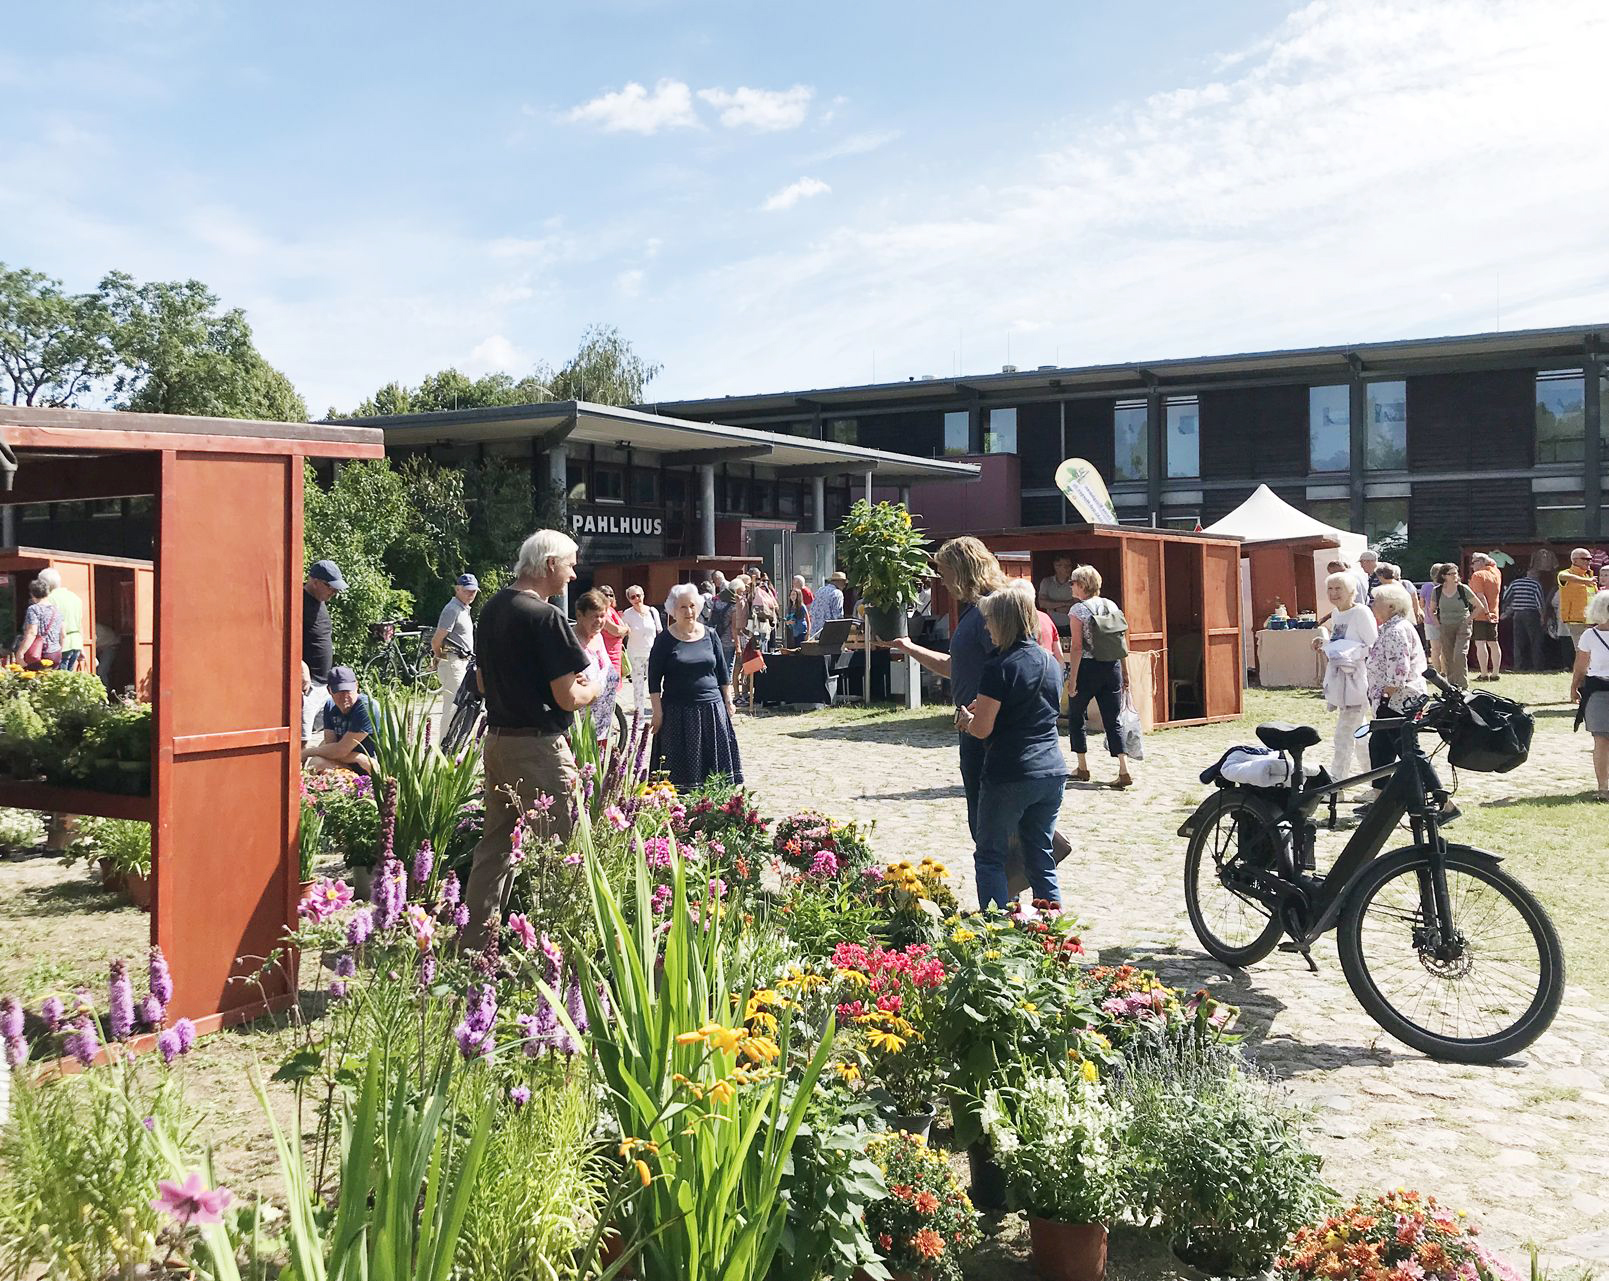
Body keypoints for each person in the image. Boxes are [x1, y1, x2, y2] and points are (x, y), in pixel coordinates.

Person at [464, 530, 596, 949]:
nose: (574, 575)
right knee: (563, 850)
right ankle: (555, 949)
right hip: (539, 748)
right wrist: (596, 685)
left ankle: (474, 944)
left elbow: (482, 683)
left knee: (495, 848)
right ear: (551, 564)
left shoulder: (493, 608)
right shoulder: (546, 617)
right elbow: (568, 696)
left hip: (499, 741)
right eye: (572, 564)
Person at [891, 537, 1008, 840]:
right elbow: (953, 667)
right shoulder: (974, 611)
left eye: (944, 572)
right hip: (973, 728)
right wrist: (909, 648)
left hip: (988, 730)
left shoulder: (989, 610)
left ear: (962, 570)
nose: (940, 581)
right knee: (985, 824)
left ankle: (1003, 888)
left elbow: (1010, 670)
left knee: (991, 829)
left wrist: (982, 716)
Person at [960, 582, 1066, 909]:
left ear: (1004, 621)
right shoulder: (1050, 662)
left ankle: (997, 932)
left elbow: (981, 729)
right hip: (1051, 770)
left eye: (990, 620)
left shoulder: (998, 666)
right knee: (1039, 851)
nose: (987, 627)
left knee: (991, 855)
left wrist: (965, 719)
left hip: (1010, 772)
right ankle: (1053, 928)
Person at [1363, 583, 1456, 821]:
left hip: (1397, 700)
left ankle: (1445, 803)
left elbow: (1398, 668)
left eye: (1376, 601)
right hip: (1392, 699)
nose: (1372, 605)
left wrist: (1386, 695)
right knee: (1379, 746)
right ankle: (1379, 797)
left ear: (1391, 606)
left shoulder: (1396, 630)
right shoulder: (1392, 627)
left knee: (1409, 751)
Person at [648, 582, 743, 789]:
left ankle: (715, 808)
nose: (688, 611)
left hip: (711, 709)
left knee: (714, 770)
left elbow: (722, 673)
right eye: (683, 607)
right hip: (677, 712)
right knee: (679, 772)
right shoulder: (664, 640)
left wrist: (728, 701)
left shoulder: (710, 634)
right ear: (673, 610)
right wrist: (657, 712)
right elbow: (654, 679)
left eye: (692, 606)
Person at [1065, 564, 1133, 790]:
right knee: (1112, 718)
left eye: (1073, 582)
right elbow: (1120, 641)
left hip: (1087, 667)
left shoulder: (1078, 610)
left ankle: (1082, 766)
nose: (1071, 586)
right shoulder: (1111, 605)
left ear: (1082, 585)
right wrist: (1124, 670)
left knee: (1076, 715)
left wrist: (1072, 678)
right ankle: (1123, 768)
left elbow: (1076, 647)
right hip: (1111, 665)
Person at [1312, 572, 1378, 788]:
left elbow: (1374, 647)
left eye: (1338, 588)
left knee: (1344, 735)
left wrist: (1349, 654)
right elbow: (1339, 640)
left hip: (1357, 681)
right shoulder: (1336, 613)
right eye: (1330, 589)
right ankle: (1378, 782)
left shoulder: (1361, 612)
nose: (1333, 594)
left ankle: (1336, 785)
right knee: (1361, 737)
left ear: (1351, 591)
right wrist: (1325, 643)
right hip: (1340, 680)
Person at [1569, 589, 1609, 801]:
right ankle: (1604, 787)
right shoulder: (1589, 635)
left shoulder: (1589, 636)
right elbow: (1581, 666)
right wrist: (1574, 686)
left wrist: (1575, 685)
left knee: (1601, 741)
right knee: (1601, 740)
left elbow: (1581, 666)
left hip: (1597, 692)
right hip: (1597, 692)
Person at [302, 560, 347, 744]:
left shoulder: (320, 601)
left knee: (331, 736)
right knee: (301, 741)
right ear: (314, 581)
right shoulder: (298, 601)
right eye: (331, 588)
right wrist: (299, 664)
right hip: (307, 685)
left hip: (324, 683)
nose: (334, 593)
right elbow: (281, 637)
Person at [302, 666, 376, 774]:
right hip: (347, 762)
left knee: (320, 754)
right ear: (329, 690)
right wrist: (358, 757)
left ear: (356, 686)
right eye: (339, 691)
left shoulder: (366, 707)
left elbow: (340, 750)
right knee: (316, 763)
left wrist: (307, 752)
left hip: (370, 766)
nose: (345, 696)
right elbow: (331, 748)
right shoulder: (330, 705)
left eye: (348, 691)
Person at [431, 573, 478, 744]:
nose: (471, 594)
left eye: (473, 591)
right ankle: (444, 746)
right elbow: (436, 640)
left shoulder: (463, 609)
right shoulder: (452, 609)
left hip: (462, 661)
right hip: (453, 660)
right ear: (457, 589)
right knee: (452, 706)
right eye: (467, 591)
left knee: (460, 705)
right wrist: (439, 657)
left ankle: (452, 745)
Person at [573, 589, 622, 740]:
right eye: (595, 616)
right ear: (580, 615)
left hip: (603, 728)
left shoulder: (599, 637)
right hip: (580, 732)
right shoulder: (570, 642)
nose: (600, 621)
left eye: (602, 616)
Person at [1431, 562, 1486, 690]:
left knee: (1459, 654)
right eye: (1452, 574)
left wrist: (1468, 620)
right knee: (1448, 655)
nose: (1455, 576)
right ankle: (1451, 685)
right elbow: (1431, 609)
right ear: (1444, 576)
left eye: (1456, 573)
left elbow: (1479, 607)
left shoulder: (1463, 589)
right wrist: (1437, 624)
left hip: (1462, 625)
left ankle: (1463, 685)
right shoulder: (1437, 591)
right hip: (1445, 625)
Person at [621, 584, 662, 712]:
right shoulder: (627, 614)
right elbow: (622, 632)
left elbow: (659, 631)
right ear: (629, 600)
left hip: (652, 653)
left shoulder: (652, 611)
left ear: (643, 595)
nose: (637, 599)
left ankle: (657, 712)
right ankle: (639, 717)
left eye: (638, 595)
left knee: (655, 685)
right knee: (638, 687)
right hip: (635, 654)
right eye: (633, 597)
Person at [1503, 560, 1548, 672]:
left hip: (1517, 614)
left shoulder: (1515, 583)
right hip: (1531, 613)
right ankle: (1537, 666)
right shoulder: (1535, 584)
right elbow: (1539, 601)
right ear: (1535, 576)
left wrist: (1506, 609)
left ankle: (1518, 666)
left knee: (1518, 641)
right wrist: (1543, 616)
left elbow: (1506, 596)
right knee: (1535, 640)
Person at [35, 568, 84, 672]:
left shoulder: (49, 599)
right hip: (76, 643)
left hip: (59, 645)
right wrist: (82, 647)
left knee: (58, 679)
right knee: (68, 677)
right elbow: (80, 624)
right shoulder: (75, 597)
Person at [1468, 553, 1503, 681]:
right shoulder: (1496, 573)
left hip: (1481, 614)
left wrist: (1486, 612)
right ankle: (1495, 673)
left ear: (1481, 562)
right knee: (1494, 643)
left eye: (1474, 562)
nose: (1472, 565)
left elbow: (1480, 596)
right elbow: (1493, 563)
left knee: (1480, 643)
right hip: (1495, 613)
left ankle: (1483, 673)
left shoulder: (1478, 575)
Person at [17, 579, 63, 670]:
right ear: (47, 592)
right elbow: (63, 634)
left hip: (39, 652)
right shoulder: (56, 609)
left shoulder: (34, 609)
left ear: (32, 594)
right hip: (55, 652)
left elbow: (32, 632)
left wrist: (20, 653)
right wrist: (59, 650)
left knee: (33, 681)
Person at [1558, 548, 1598, 647]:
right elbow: (1563, 576)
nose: (1588, 561)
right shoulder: (1566, 574)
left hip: (1592, 621)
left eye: (1590, 559)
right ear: (1574, 560)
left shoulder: (1589, 576)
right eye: (1585, 559)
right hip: (1577, 621)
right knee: (1582, 651)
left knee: (1592, 651)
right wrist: (1586, 581)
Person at [1037, 554, 1076, 635]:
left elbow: (1076, 603)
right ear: (1056, 566)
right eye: (1065, 566)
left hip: (1071, 626)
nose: (1068, 568)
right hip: (1051, 626)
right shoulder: (1047, 582)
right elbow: (1042, 603)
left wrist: (1053, 607)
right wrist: (1064, 604)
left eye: (1069, 565)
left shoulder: (1075, 583)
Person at [597, 585, 629, 676]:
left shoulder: (612, 610)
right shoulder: (600, 613)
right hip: (605, 655)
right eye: (605, 595)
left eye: (611, 595)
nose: (608, 597)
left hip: (617, 653)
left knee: (616, 685)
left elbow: (623, 631)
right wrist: (624, 629)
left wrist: (623, 630)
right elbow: (617, 630)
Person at [1419, 566, 1444, 671]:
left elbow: (1421, 603)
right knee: (1445, 649)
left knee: (1435, 648)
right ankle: (1445, 671)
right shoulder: (1447, 587)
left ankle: (1438, 672)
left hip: (1430, 621)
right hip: (1445, 620)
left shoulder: (1426, 587)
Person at [810, 571, 846, 635]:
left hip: (815, 631)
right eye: (844, 583)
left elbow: (812, 609)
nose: (844, 586)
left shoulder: (820, 590)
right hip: (829, 632)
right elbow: (838, 614)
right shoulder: (837, 593)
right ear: (839, 582)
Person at [786, 578, 812, 647]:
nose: (792, 597)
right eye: (791, 595)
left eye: (794, 595)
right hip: (793, 632)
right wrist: (788, 622)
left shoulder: (802, 606)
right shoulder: (790, 607)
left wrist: (808, 633)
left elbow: (807, 619)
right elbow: (787, 619)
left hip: (802, 631)